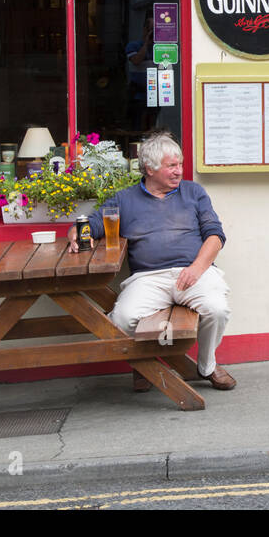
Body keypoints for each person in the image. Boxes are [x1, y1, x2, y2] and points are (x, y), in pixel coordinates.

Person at [70, 132, 235, 390]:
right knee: (121, 319)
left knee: (217, 310)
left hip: (194, 272)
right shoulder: (125, 199)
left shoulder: (193, 192)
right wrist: (77, 234)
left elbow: (215, 236)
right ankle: (146, 365)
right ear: (149, 168)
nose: (179, 171)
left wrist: (196, 268)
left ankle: (207, 366)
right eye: (171, 166)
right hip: (148, 277)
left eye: (180, 164)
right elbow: (90, 223)